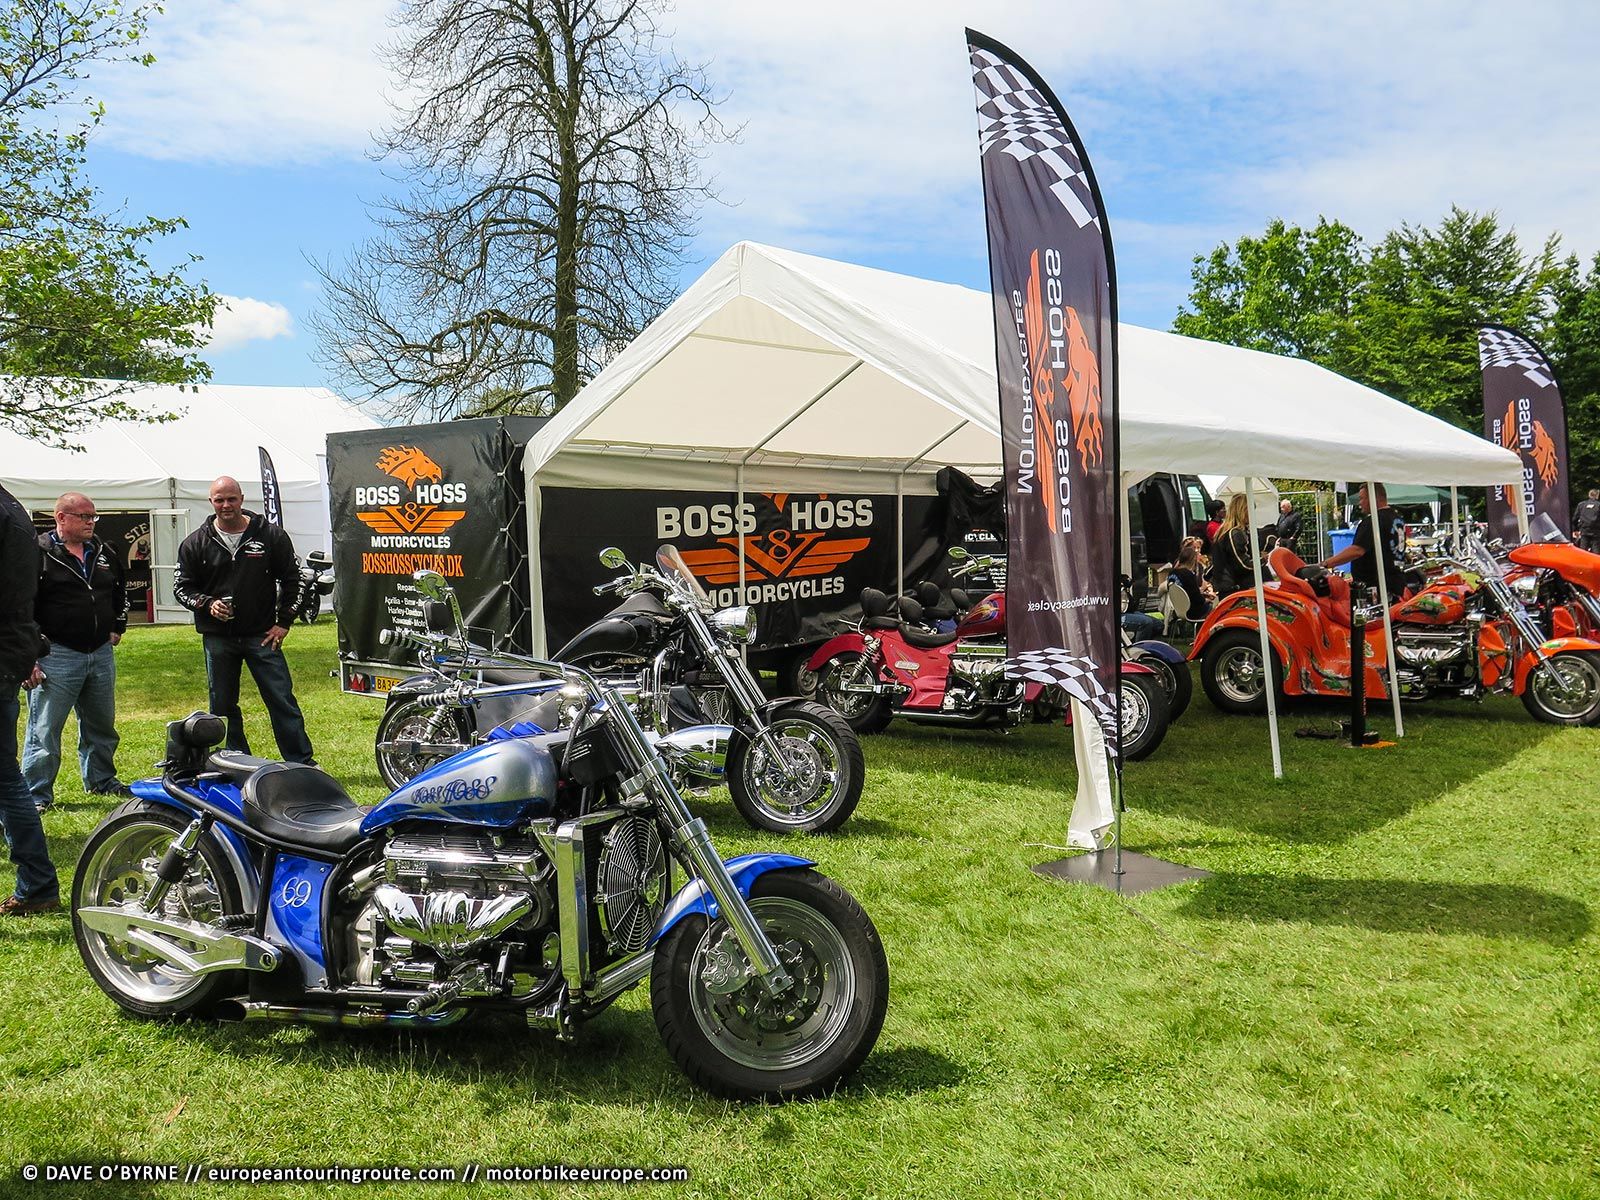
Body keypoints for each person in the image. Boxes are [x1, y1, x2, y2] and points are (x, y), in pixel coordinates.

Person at [173, 476, 315, 764]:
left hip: (262, 634)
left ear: (241, 498)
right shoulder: (196, 542)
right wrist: (207, 603)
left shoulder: (270, 536)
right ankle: (234, 758)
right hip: (217, 637)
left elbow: (293, 579)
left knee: (281, 699)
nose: (226, 505)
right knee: (222, 705)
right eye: (219, 500)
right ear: (210, 502)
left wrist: (284, 621)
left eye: (231, 499)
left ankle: (301, 761)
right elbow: (181, 587)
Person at [23, 492, 131, 811]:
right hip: (55, 653)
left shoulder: (104, 550)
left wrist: (117, 626)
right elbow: (21, 606)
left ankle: (102, 781)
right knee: (45, 729)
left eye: (93, 516)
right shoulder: (37, 553)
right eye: (84, 517)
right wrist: (29, 656)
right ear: (61, 518)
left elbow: (118, 590)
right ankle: (37, 794)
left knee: (101, 724)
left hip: (99, 652)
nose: (91, 523)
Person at [0, 482, 60, 916]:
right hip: (11, 647)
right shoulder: (13, 507)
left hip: (6, 646)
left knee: (5, 779)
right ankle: (37, 884)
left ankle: (38, 883)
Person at [1321, 482, 1405, 597]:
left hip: (1375, 587)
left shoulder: (1374, 521)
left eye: (1362, 498)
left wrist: (1325, 564)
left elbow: (1357, 550)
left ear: (1374, 498)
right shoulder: (1397, 518)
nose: (1360, 503)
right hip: (1395, 582)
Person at [1208, 494, 1256, 597]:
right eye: (1251, 510)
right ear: (1244, 511)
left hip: (1225, 585)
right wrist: (1263, 560)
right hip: (1233, 586)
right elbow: (1242, 564)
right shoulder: (1235, 533)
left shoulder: (1223, 530)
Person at [1169, 537, 1214, 619]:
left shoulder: (1172, 573)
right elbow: (1197, 599)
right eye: (1194, 548)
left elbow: (1188, 592)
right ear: (1192, 559)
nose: (1197, 551)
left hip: (1179, 609)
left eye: (1198, 548)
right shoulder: (1188, 575)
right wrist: (1206, 599)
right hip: (1193, 611)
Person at [1575, 488, 1600, 553]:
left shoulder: (1581, 505)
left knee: (1583, 549)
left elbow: (1575, 518)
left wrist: (1575, 529)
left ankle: (1582, 561)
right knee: (1596, 548)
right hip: (1596, 530)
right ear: (1597, 495)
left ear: (1589, 495)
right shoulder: (1598, 505)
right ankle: (1596, 562)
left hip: (1584, 529)